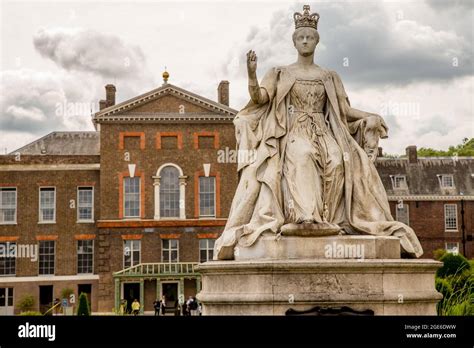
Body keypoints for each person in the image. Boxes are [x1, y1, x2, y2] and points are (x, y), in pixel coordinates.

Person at [214, 4, 423, 260]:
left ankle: (330, 220)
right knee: (302, 156)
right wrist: (251, 74)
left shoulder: (329, 76)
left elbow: (344, 110)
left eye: (309, 37)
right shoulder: (280, 73)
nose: (305, 41)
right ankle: (304, 217)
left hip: (324, 131)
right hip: (292, 132)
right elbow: (260, 99)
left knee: (337, 160)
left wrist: (370, 115)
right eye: (301, 37)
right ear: (294, 41)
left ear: (316, 41)